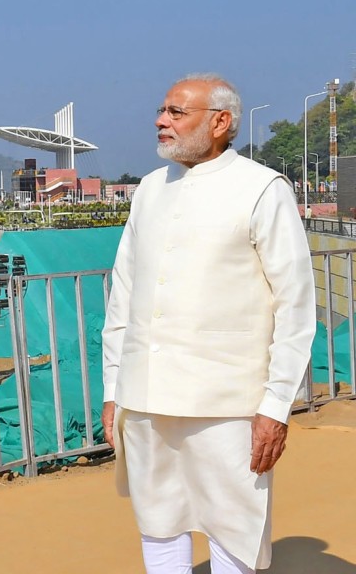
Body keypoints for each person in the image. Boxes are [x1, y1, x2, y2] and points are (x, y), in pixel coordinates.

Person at [101, 74, 316, 572]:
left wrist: (277, 405)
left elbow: (295, 306)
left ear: (220, 122)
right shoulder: (150, 190)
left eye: (177, 112)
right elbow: (124, 298)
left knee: (233, 527)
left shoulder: (262, 188)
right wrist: (115, 388)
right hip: (147, 394)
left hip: (228, 400)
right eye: (162, 111)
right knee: (158, 522)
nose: (161, 121)